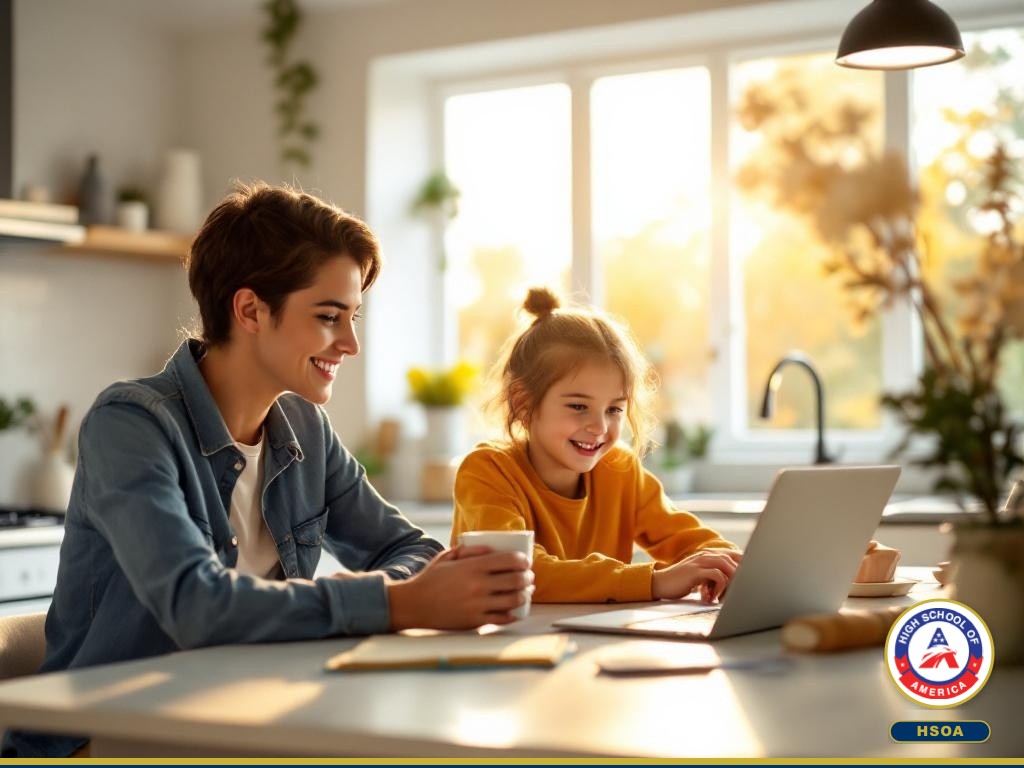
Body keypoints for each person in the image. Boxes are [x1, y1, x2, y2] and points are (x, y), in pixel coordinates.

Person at [2, 183, 531, 758]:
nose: (350, 343)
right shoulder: (130, 425)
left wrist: (404, 591)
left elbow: (408, 549)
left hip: (244, 720)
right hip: (108, 739)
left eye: (353, 317)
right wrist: (395, 603)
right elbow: (194, 605)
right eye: (329, 316)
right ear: (251, 310)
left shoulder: (302, 426)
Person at [451, 287, 740, 604]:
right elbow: (519, 572)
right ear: (523, 403)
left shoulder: (619, 469)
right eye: (578, 406)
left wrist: (729, 563)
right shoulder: (487, 472)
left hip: (586, 641)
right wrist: (654, 581)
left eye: (614, 409)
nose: (600, 427)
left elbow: (681, 535)